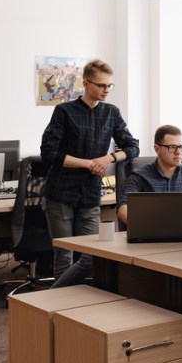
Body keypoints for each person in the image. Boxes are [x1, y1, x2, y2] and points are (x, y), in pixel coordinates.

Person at [40, 59, 139, 288]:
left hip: (90, 193)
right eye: (102, 85)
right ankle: (57, 303)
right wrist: (88, 164)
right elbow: (49, 153)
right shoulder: (64, 111)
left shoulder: (111, 113)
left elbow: (133, 147)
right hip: (61, 192)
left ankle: (76, 301)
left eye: (110, 86)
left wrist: (108, 158)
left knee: (92, 254)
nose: (106, 90)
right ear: (86, 83)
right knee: (64, 254)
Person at [116, 124, 182, 225]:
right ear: (157, 149)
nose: (178, 152)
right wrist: (142, 227)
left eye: (181, 147)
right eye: (172, 147)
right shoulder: (140, 176)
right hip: (152, 236)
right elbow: (122, 207)